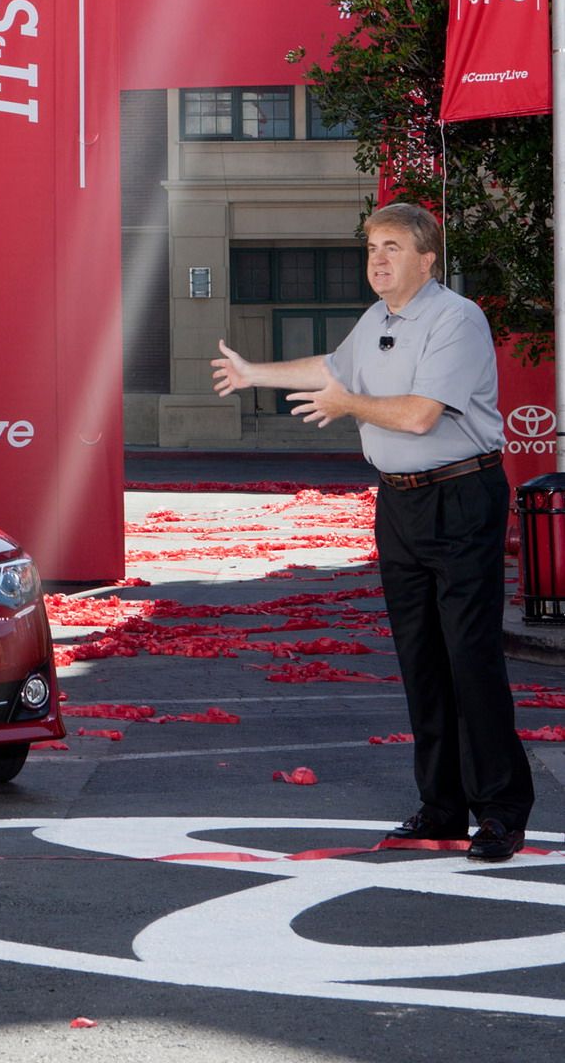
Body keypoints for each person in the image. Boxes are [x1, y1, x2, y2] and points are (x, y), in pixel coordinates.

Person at [212, 201, 533, 863]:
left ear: (426, 259)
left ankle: (500, 812)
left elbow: (418, 416)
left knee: (470, 659)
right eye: (370, 248)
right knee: (421, 661)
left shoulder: (456, 319)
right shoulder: (377, 321)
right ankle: (442, 810)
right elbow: (332, 369)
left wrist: (347, 405)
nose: (377, 259)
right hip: (401, 505)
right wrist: (253, 375)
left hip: (461, 497)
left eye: (391, 247)